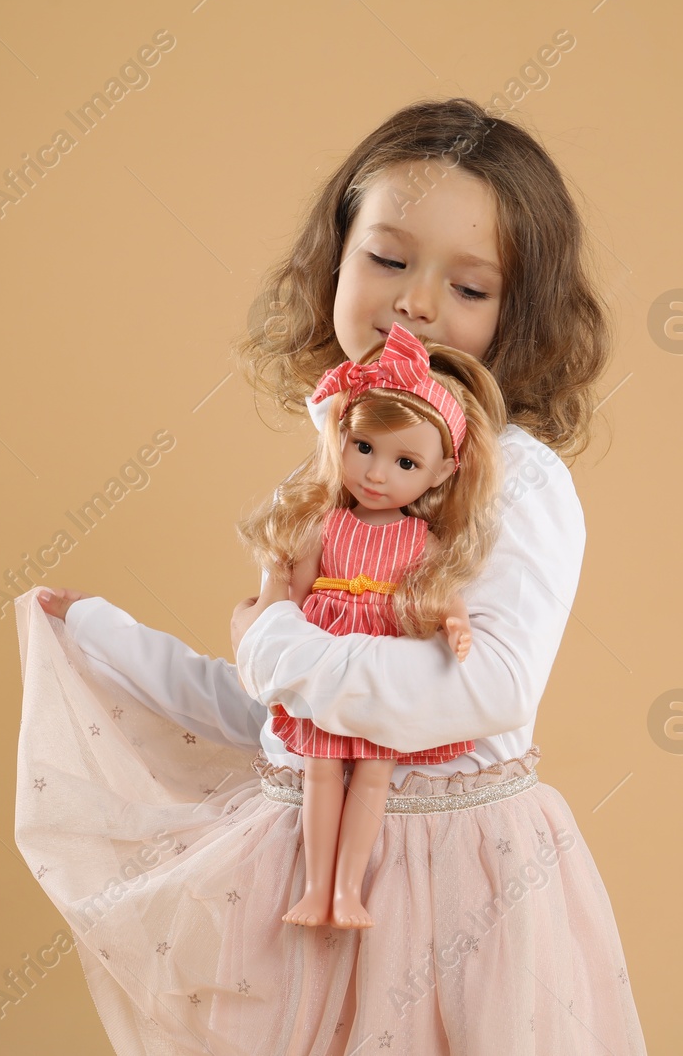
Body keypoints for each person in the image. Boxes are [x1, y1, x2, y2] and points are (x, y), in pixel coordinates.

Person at [14, 96, 647, 1055]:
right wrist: (109, 641)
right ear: (336, 261)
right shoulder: (343, 480)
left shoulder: (516, 477)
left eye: (469, 288)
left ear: (522, 316)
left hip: (450, 883)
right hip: (304, 880)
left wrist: (271, 636)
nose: (416, 302)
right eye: (389, 259)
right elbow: (298, 711)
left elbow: (486, 682)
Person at [239, 322, 509, 929]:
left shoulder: (423, 539)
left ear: (441, 475)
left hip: (383, 672)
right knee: (321, 770)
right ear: (343, 440)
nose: (378, 473)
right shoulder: (325, 525)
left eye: (405, 460)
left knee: (375, 778)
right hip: (324, 660)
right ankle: (315, 888)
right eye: (365, 448)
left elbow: (441, 596)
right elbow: (291, 598)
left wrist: (455, 626)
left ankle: (347, 893)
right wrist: (268, 617)